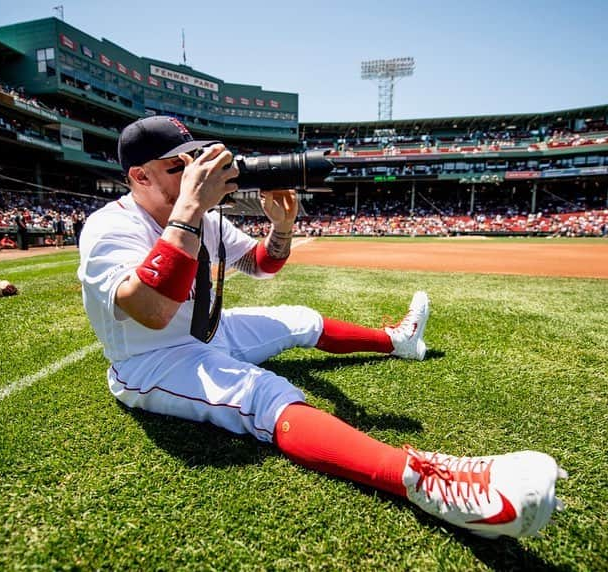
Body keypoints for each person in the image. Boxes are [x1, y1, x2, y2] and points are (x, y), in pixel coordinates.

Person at [77, 116, 565, 539]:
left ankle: (399, 341)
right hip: (152, 359)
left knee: (302, 318)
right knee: (266, 395)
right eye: (176, 167)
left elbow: (262, 265)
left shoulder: (204, 216)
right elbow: (152, 310)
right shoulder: (110, 226)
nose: (194, 174)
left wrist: (281, 227)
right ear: (138, 177)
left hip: (208, 329)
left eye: (195, 160)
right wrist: (188, 209)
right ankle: (423, 480)